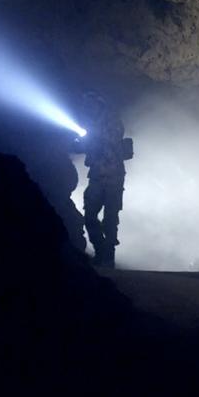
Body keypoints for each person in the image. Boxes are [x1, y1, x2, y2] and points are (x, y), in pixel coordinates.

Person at [73, 91, 132, 268]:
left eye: (90, 105)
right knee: (90, 215)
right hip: (98, 176)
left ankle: (108, 256)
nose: (87, 108)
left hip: (113, 177)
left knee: (110, 218)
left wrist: (90, 139)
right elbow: (88, 146)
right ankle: (101, 251)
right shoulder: (93, 124)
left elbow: (109, 141)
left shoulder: (111, 121)